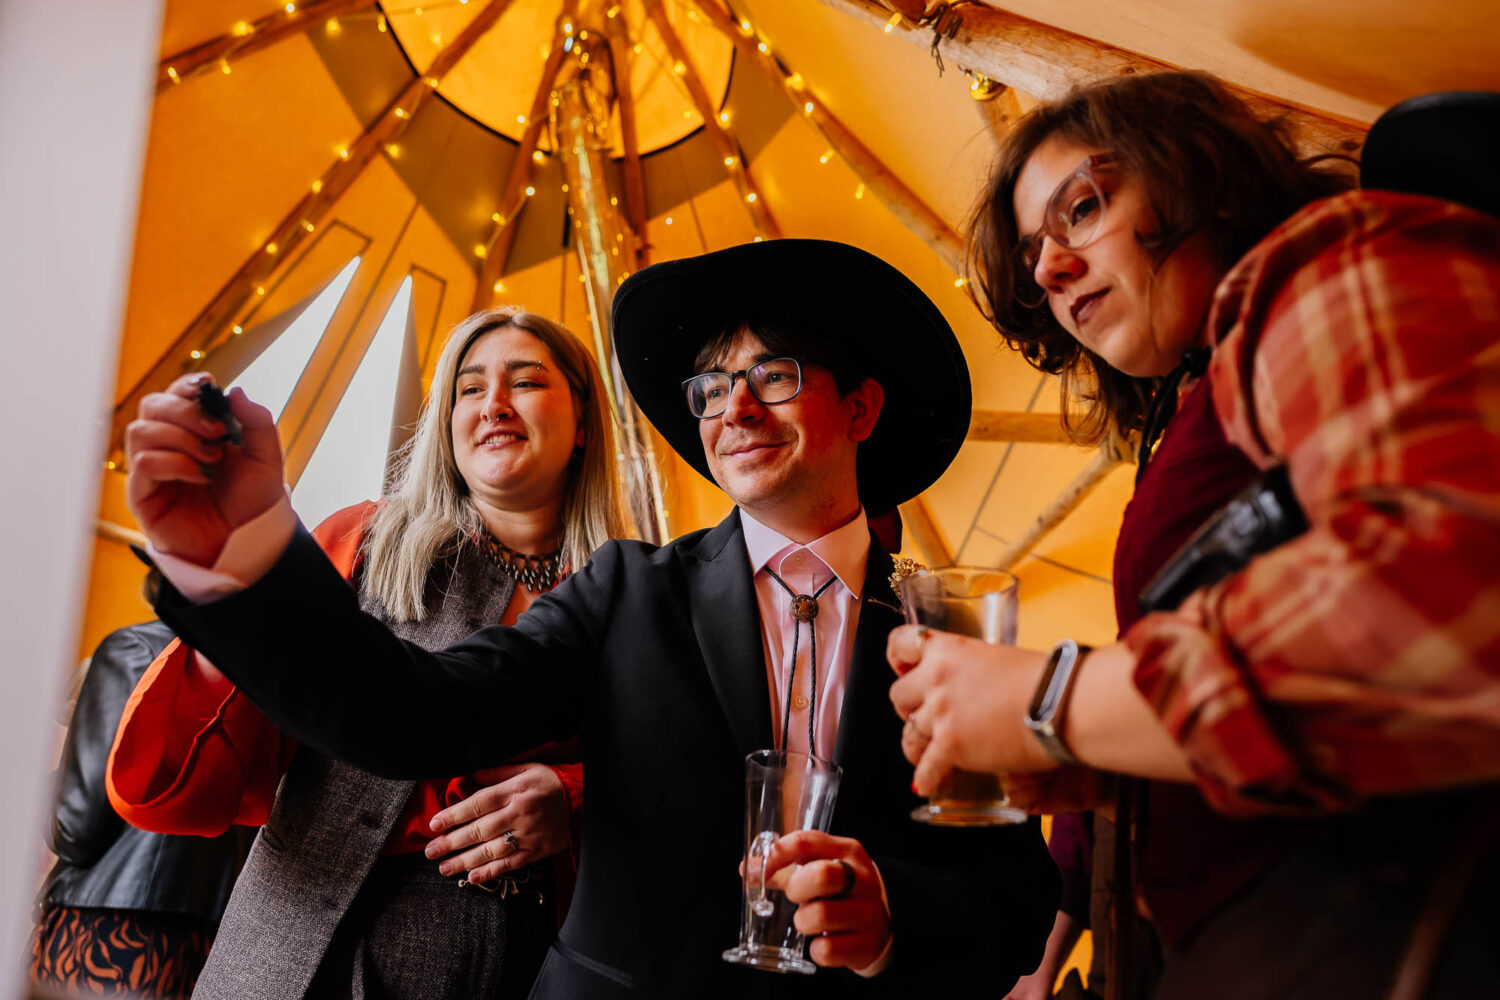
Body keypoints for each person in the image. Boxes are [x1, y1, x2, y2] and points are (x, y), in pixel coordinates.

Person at [120, 239, 1060, 997]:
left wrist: (892, 916)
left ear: (861, 408)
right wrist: (246, 554)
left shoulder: (950, 633)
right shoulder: (626, 591)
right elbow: (409, 714)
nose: (733, 404)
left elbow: (1016, 901)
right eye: (709, 387)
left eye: (772, 374)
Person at [887, 72, 1500, 998]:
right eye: (1032, 257)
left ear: (1198, 173)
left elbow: (1445, 594)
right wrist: (1102, 764)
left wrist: (1056, 698)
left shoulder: (1329, 263)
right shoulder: (1195, 405)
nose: (1049, 270)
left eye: (1083, 207)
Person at [106, 307, 625, 999]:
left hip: (516, 962)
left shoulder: (631, 596)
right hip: (291, 936)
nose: (493, 403)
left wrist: (577, 803)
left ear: (584, 421)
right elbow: (199, 774)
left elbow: (682, 773)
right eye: (469, 389)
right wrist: (229, 605)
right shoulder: (360, 540)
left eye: (525, 381)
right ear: (445, 422)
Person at [33, 620, 255, 997]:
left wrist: (48, 776)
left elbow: (73, 830)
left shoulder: (133, 649)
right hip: (204, 939)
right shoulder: (268, 664)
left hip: (105, 931)